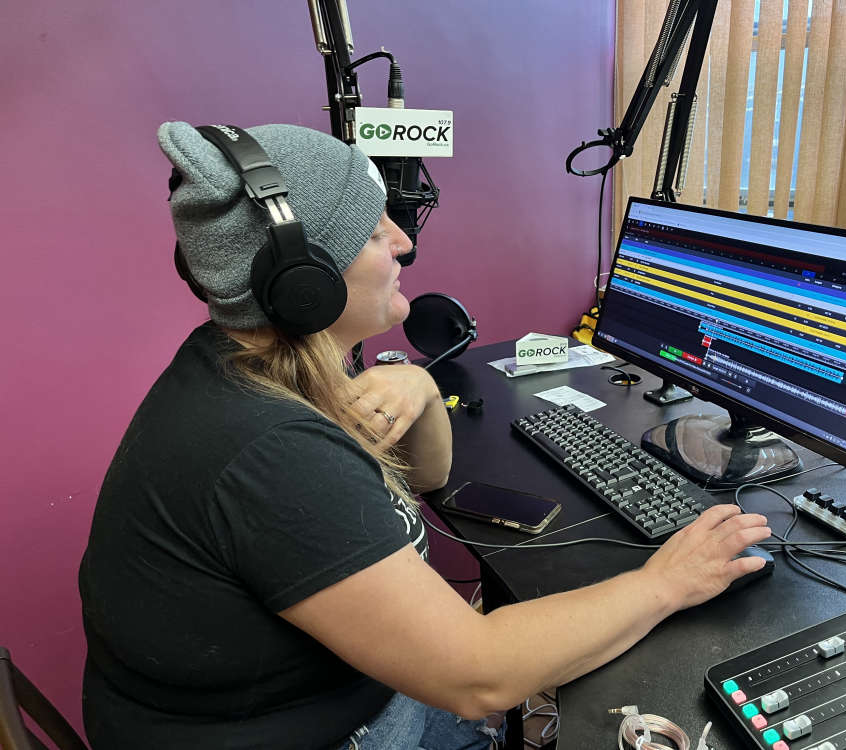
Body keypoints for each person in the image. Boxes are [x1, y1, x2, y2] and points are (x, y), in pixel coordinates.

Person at [78, 121, 771, 750]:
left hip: (332, 693)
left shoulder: (254, 362)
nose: (404, 241)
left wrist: (420, 388)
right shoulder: (269, 448)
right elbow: (480, 677)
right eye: (372, 231)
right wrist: (666, 583)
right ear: (302, 284)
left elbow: (430, 477)